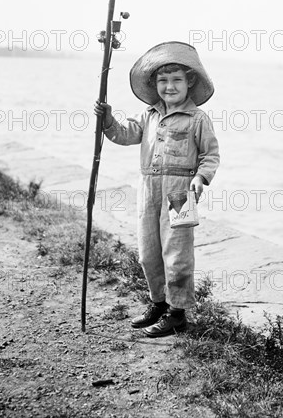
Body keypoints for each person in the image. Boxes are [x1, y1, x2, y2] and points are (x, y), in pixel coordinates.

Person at [94, 41, 220, 337]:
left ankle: (178, 313)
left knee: (177, 254)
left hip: (181, 194)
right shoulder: (148, 115)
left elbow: (211, 155)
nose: (169, 86)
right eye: (163, 80)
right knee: (148, 252)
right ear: (154, 85)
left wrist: (201, 178)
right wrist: (108, 119)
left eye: (176, 80)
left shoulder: (198, 119)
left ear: (190, 82)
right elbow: (124, 135)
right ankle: (159, 303)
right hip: (148, 190)